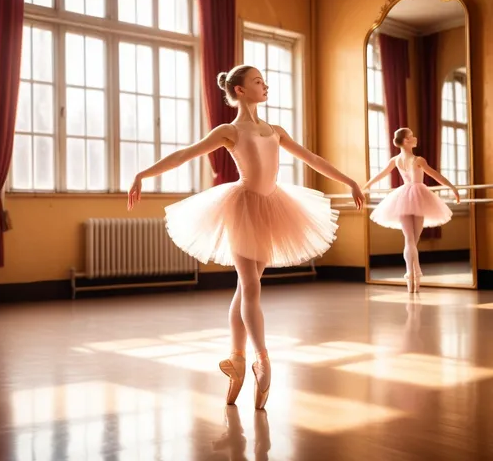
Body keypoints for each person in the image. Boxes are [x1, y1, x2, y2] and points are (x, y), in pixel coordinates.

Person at [128, 65, 364, 409]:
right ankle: (262, 359)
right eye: (257, 81)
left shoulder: (276, 130)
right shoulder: (229, 131)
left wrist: (349, 180)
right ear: (240, 90)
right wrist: (142, 173)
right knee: (250, 285)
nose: (265, 85)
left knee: (244, 289)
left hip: (272, 209)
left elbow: (311, 158)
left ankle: (236, 359)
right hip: (240, 208)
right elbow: (184, 154)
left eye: (263, 81)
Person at [362, 127, 460, 293]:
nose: (415, 138)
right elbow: (436, 175)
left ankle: (411, 275)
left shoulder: (395, 160)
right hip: (418, 196)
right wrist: (452, 187)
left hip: (402, 196)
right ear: (406, 141)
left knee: (409, 240)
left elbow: (380, 175)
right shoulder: (418, 159)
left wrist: (365, 186)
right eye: (411, 136)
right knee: (413, 241)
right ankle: (415, 277)